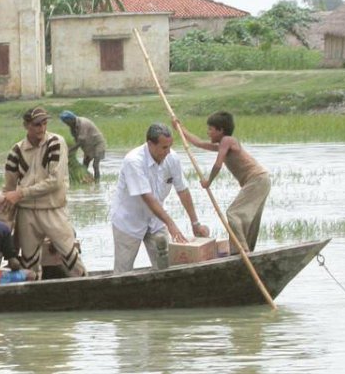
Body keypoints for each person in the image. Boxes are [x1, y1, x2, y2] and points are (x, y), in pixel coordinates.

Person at [111, 123, 209, 274]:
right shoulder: (133, 161)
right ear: (150, 144)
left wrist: (195, 223)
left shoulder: (172, 158)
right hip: (129, 221)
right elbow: (147, 198)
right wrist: (171, 224)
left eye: (170, 146)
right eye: (164, 148)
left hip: (156, 221)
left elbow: (182, 190)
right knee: (123, 271)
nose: (168, 151)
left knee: (165, 267)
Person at [2, 107, 86, 280]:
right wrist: (6, 221)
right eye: (36, 124)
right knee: (29, 262)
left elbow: (55, 181)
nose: (41, 128)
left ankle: (87, 286)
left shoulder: (55, 142)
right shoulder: (16, 151)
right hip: (26, 213)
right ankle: (33, 296)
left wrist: (21, 193)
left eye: (44, 123)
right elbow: (9, 189)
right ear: (26, 125)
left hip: (52, 208)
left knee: (71, 257)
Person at [174, 111, 270, 252]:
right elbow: (198, 143)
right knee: (250, 219)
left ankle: (241, 250)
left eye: (210, 129)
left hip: (257, 179)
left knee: (233, 213)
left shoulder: (227, 141)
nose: (208, 133)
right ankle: (245, 251)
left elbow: (218, 164)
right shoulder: (222, 145)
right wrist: (180, 128)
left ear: (221, 130)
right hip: (261, 181)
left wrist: (209, 181)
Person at [59, 110, 106, 183]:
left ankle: (97, 183)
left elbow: (81, 141)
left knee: (95, 165)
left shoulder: (83, 123)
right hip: (88, 147)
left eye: (67, 122)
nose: (67, 124)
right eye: (65, 123)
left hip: (97, 144)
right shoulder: (72, 127)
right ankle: (86, 180)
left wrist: (70, 150)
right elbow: (76, 140)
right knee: (84, 166)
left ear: (71, 119)